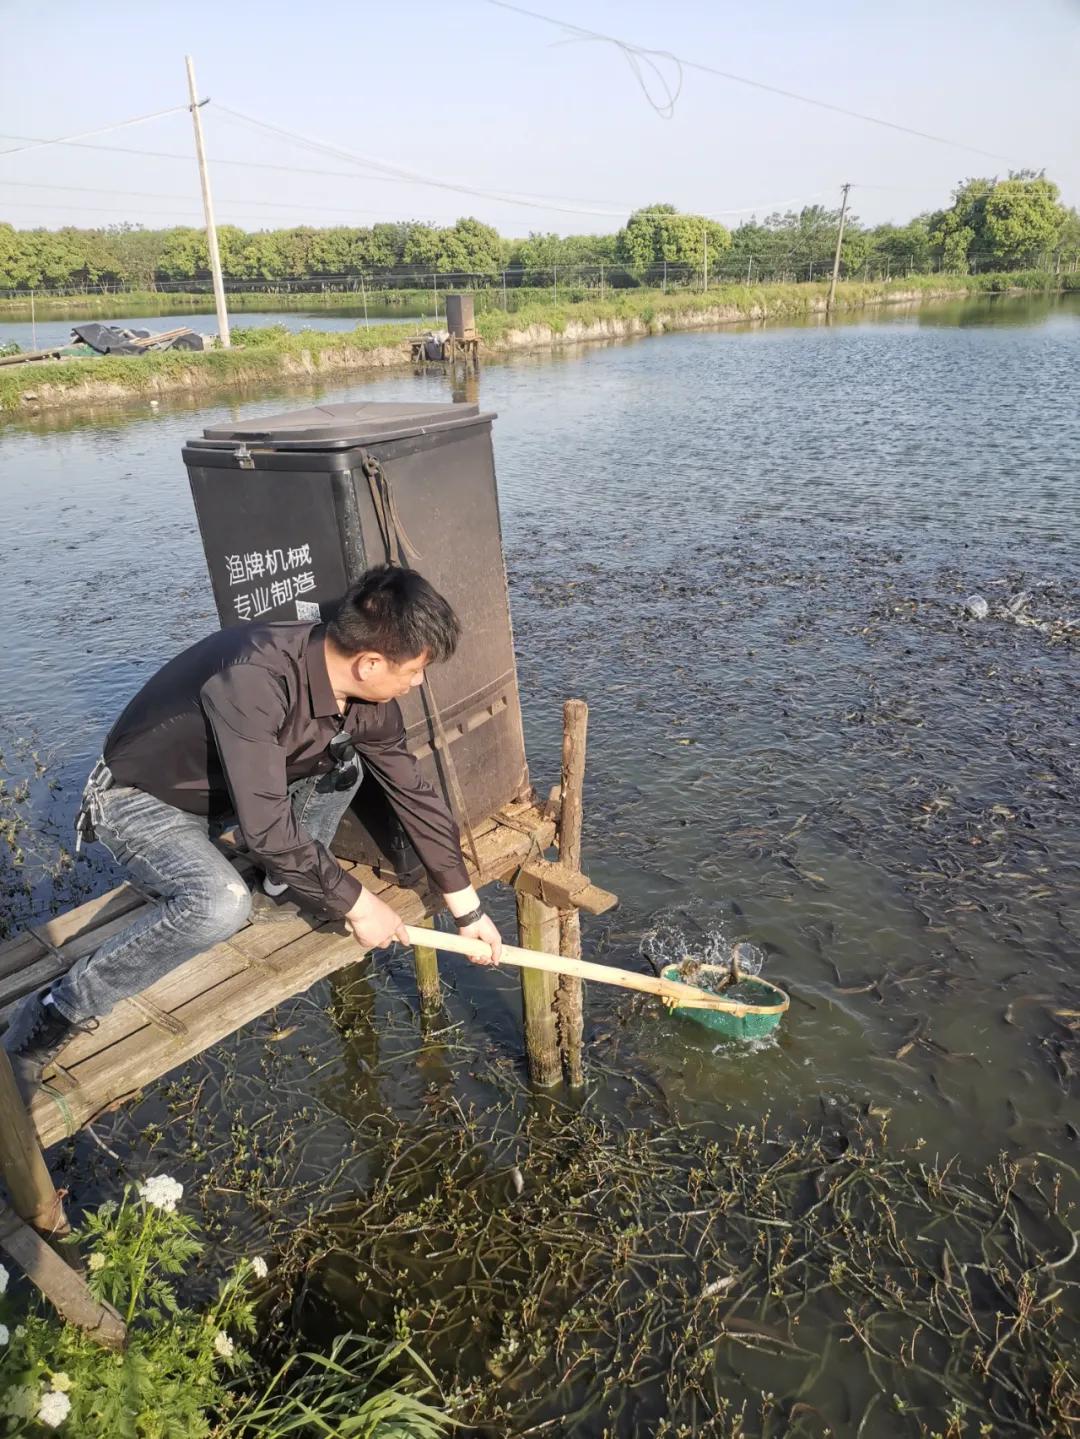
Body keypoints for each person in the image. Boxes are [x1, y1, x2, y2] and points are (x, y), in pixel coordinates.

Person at [4, 565, 504, 1099]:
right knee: (218, 904)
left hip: (232, 794)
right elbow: (267, 829)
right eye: (415, 670)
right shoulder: (254, 677)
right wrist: (358, 904)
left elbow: (414, 794)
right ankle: (54, 1013)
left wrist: (467, 910)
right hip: (142, 798)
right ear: (370, 662)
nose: (418, 682)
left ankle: (284, 883)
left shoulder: (364, 699)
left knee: (346, 767)